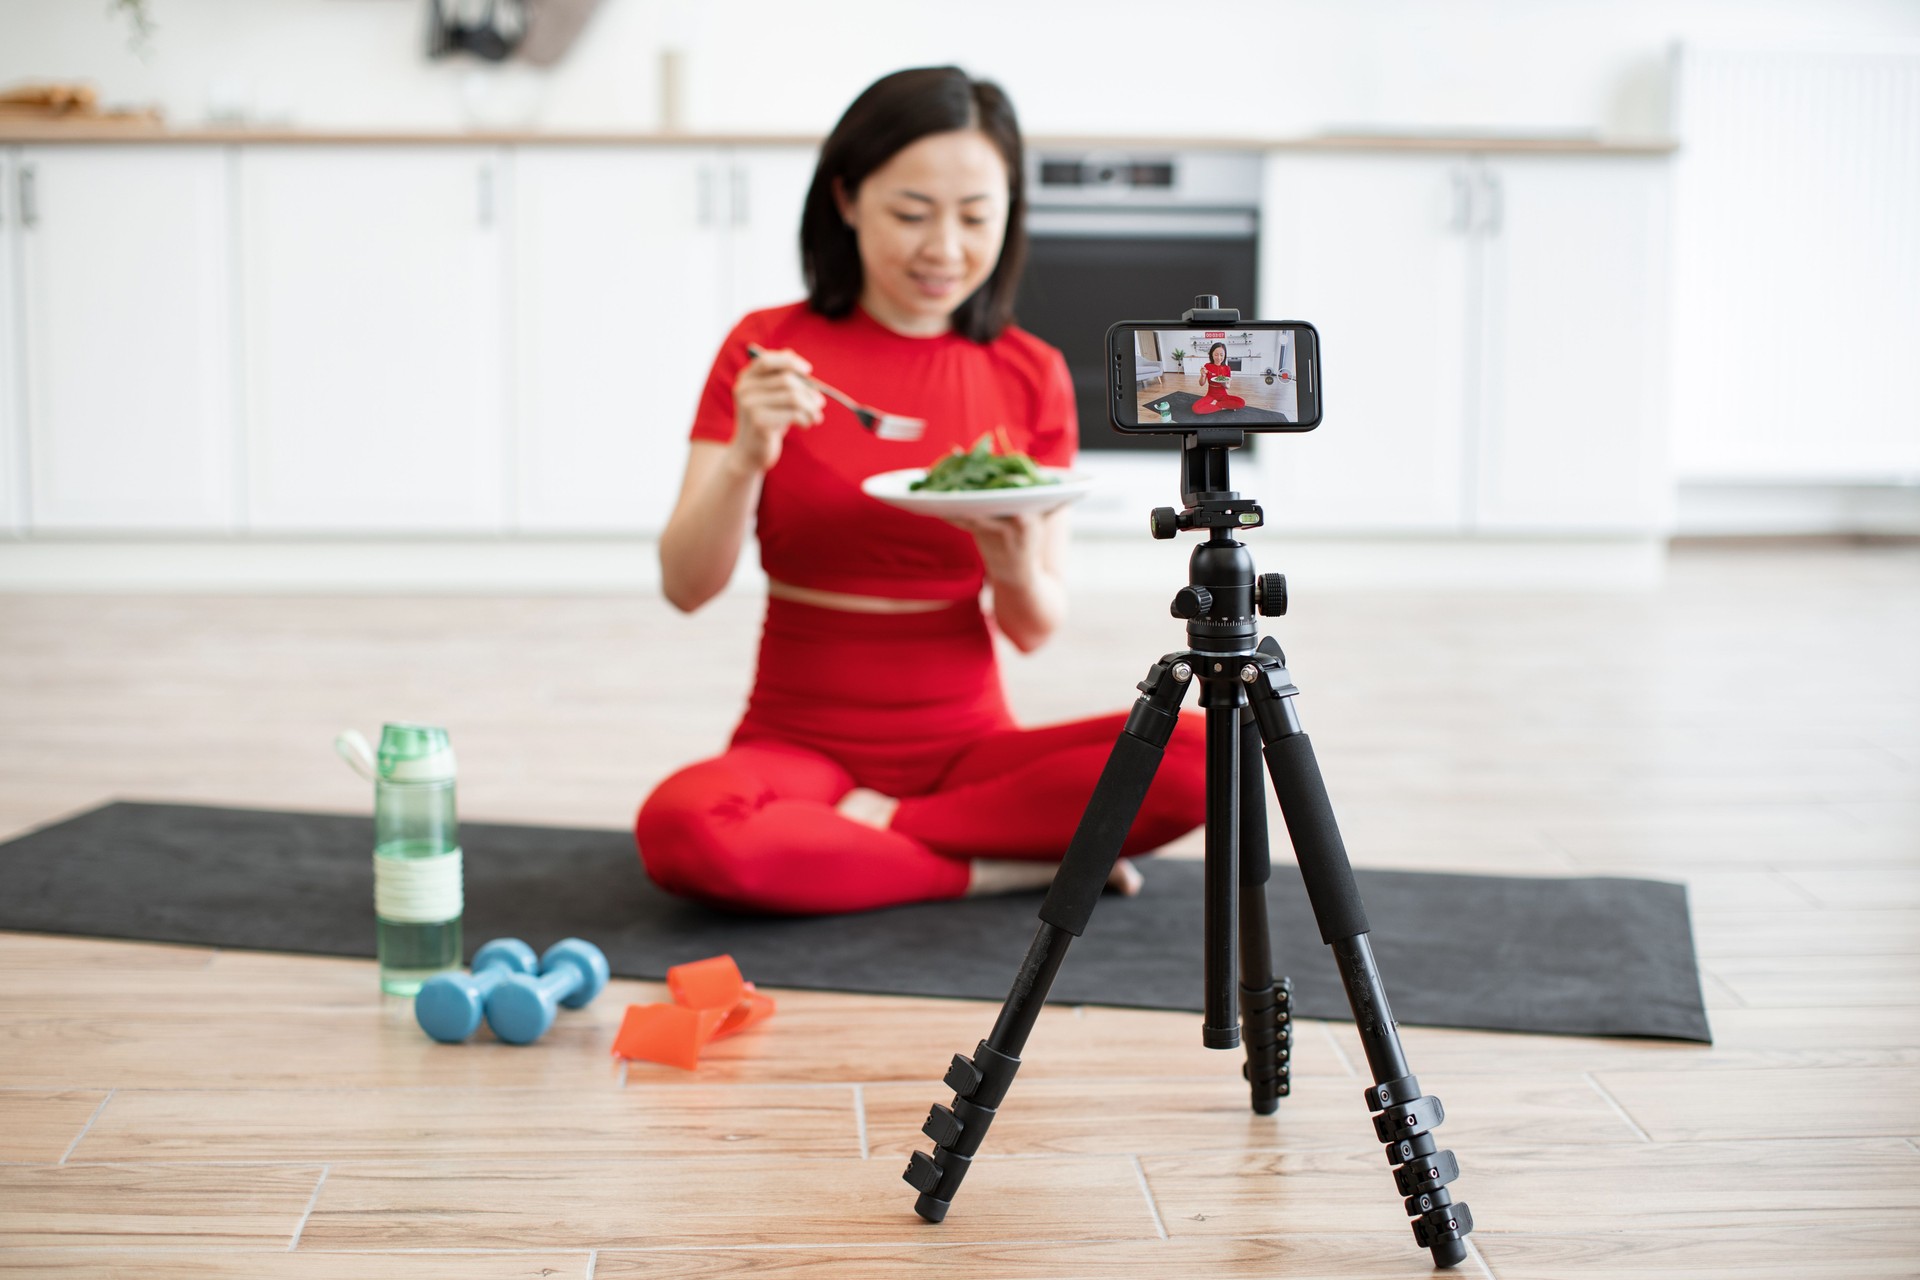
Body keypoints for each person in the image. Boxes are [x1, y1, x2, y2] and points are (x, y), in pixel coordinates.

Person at [634, 66, 1206, 915]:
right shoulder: (764, 350)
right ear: (847, 198)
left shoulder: (1029, 372)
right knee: (685, 829)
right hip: (796, 746)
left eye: (976, 216)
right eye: (911, 212)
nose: (944, 248)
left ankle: (882, 831)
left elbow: (1033, 627)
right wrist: (748, 452)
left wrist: (1011, 566)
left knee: (1212, 751)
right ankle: (993, 867)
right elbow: (687, 587)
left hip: (968, 749)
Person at [1189, 342, 1247, 416]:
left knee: (1241, 402)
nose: (1219, 358)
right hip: (1210, 395)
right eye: (1216, 355)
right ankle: (1224, 406)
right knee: (1196, 408)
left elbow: (1228, 387)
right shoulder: (1207, 366)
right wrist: (1203, 375)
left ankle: (1216, 404)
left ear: (1225, 355)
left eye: (1221, 355)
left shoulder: (1227, 368)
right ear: (1211, 355)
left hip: (1223, 396)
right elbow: (1201, 384)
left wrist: (1224, 383)